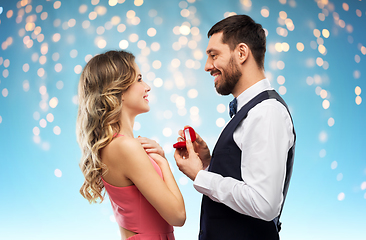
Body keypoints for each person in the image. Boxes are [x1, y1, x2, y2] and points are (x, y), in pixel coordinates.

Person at [174, 15, 296, 240]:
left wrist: (201, 176)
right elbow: (243, 180)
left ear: (241, 53)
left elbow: (265, 203)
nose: (207, 66)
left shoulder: (266, 112)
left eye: (213, 55)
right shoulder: (252, 110)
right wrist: (210, 163)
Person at [77, 50, 186, 240]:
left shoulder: (117, 145)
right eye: (139, 79)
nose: (147, 87)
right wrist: (163, 163)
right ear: (118, 89)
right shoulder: (125, 147)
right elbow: (178, 215)